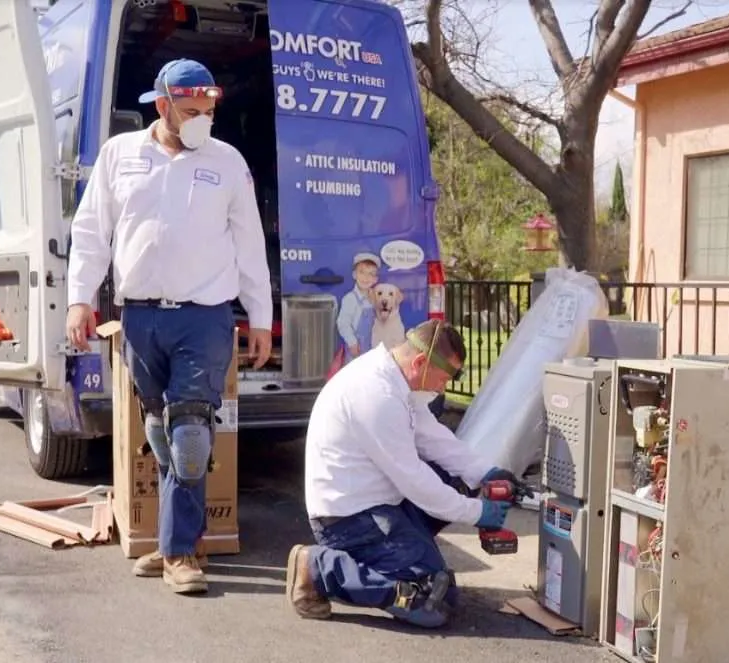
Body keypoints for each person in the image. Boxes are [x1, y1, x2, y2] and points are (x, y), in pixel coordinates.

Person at [65, 58, 273, 594]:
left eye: (209, 109)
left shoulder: (227, 162)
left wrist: (261, 318)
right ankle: (174, 539)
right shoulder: (120, 155)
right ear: (162, 106)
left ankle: (181, 554)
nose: (203, 118)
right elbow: (92, 231)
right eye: (191, 110)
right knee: (159, 430)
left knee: (189, 434)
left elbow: (249, 243)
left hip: (204, 318)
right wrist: (79, 299)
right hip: (139, 317)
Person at [286, 319, 519, 627]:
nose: (443, 387)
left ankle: (406, 554)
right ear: (421, 362)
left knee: (459, 483)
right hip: (350, 521)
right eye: (445, 377)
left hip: (380, 504)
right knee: (432, 601)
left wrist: (486, 472)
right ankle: (317, 569)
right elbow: (415, 481)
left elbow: (431, 436)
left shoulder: (396, 379)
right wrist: (479, 513)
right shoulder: (376, 395)